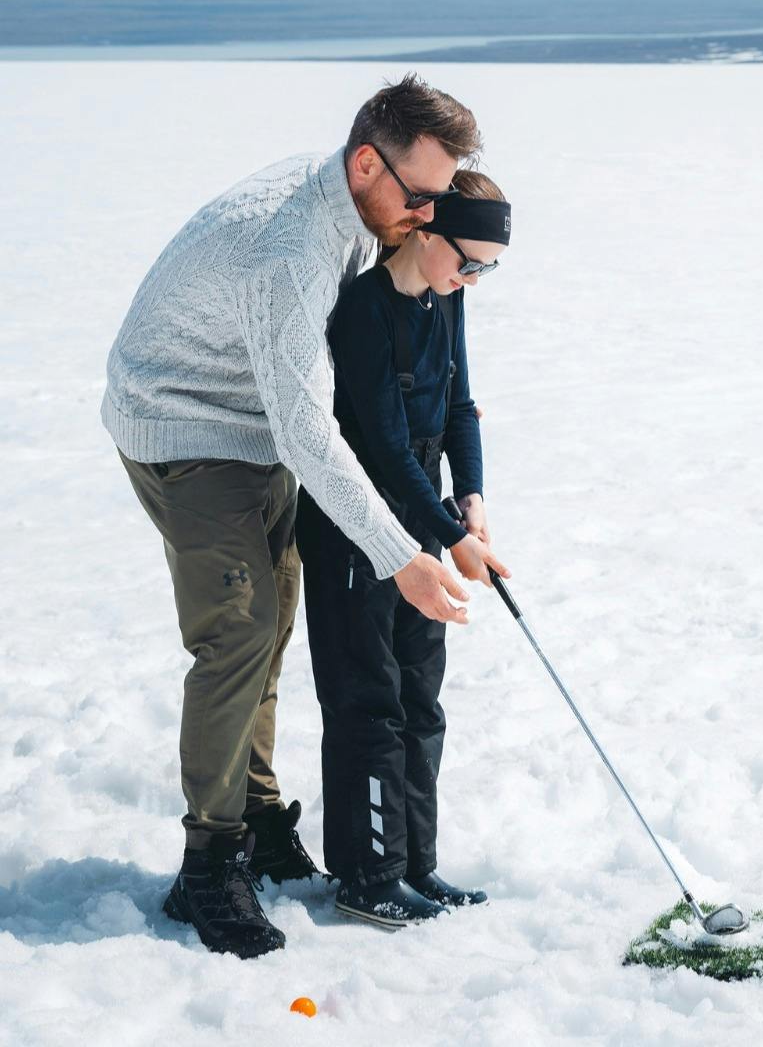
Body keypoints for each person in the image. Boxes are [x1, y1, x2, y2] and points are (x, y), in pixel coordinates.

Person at [105, 77, 481, 959]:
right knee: (236, 633)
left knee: (269, 629)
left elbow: (298, 415)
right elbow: (305, 427)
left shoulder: (354, 204)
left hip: (254, 425)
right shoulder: (293, 251)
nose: (428, 216)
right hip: (184, 423)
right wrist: (401, 555)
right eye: (419, 196)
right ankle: (209, 863)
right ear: (364, 162)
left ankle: (260, 817)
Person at [298, 170, 512, 928]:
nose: (472, 279)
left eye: (487, 267)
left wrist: (472, 499)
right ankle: (367, 874)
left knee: (421, 698)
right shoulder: (362, 309)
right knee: (370, 702)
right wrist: (452, 536)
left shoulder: (444, 297)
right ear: (424, 233)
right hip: (355, 518)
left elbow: (458, 406)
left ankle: (414, 863)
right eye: (468, 260)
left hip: (422, 506)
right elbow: (383, 447)